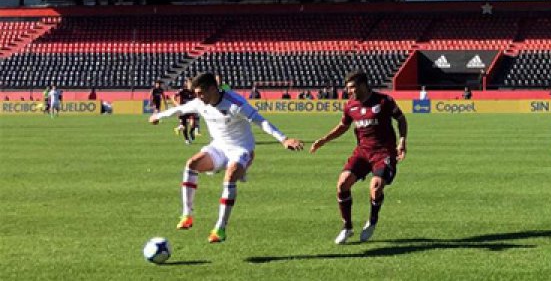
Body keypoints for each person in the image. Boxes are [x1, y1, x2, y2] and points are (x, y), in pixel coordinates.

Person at [148, 72, 303, 243]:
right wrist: (158, 116)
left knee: (230, 176)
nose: (198, 98)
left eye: (201, 93)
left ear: (213, 89)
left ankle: (220, 228)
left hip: (241, 148)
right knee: (191, 164)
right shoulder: (200, 103)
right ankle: (187, 215)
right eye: (196, 94)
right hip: (219, 147)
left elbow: (260, 121)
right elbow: (180, 109)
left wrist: (283, 139)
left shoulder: (236, 103)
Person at [309, 70, 408, 245]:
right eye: (347, 88)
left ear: (363, 85)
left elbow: (401, 119)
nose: (349, 91)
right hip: (362, 152)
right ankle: (347, 227)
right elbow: (342, 126)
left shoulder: (384, 101)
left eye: (352, 87)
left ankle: (372, 220)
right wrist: (323, 140)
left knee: (376, 187)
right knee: (342, 183)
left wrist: (402, 141)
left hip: (384, 152)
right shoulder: (350, 106)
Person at [175, 80, 199, 144]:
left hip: (191, 111)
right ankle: (186, 139)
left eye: (192, 83)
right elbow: (173, 97)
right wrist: (177, 105)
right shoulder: (182, 91)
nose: (191, 85)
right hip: (183, 111)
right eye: (189, 83)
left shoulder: (195, 91)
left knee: (193, 123)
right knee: (184, 126)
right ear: (187, 84)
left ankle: (191, 132)